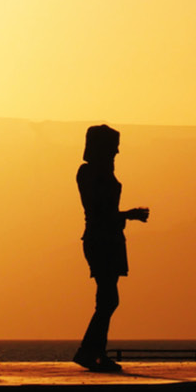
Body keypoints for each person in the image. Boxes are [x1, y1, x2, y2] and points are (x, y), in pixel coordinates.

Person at [72, 125, 148, 372]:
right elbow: (99, 212)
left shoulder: (99, 172)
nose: (117, 150)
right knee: (108, 299)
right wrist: (130, 215)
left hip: (110, 238)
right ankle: (90, 351)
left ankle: (93, 351)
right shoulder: (89, 173)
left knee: (108, 299)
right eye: (114, 145)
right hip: (101, 239)